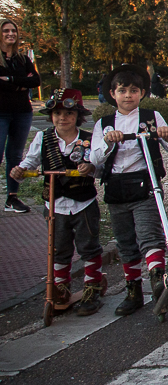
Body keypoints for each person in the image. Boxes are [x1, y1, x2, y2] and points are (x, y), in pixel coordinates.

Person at [90, 64, 168, 316]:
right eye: (122, 90)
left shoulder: (151, 117)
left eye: (133, 90)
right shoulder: (104, 124)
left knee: (148, 234)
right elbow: (95, 158)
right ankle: (133, 290)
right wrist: (108, 143)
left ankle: (158, 280)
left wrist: (165, 135)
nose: (128, 95)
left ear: (142, 93)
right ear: (112, 94)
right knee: (125, 239)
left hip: (146, 185)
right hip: (116, 188)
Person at [11, 89, 105, 316]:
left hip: (83, 202)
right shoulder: (43, 138)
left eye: (69, 113)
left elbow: (100, 167)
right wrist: (21, 170)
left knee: (88, 245)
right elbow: (31, 160)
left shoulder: (89, 138)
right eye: (58, 113)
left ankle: (92, 286)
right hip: (54, 204)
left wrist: (90, 168)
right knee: (58, 247)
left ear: (78, 116)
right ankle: (61, 287)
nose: (63, 118)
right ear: (51, 116)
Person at [0, 18, 41, 213]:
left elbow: (36, 81)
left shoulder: (23, 59)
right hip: (1, 112)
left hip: (22, 113)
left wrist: (10, 79)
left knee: (15, 156)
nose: (10, 34)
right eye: (6, 31)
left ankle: (12, 198)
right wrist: (22, 83)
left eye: (13, 31)